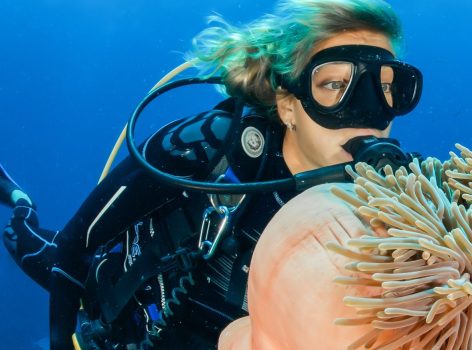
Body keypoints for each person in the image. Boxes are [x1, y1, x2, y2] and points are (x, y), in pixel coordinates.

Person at [1, 0, 423, 348]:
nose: (371, 111)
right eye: (334, 84)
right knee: (43, 253)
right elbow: (77, 244)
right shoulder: (206, 149)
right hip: (125, 313)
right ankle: (19, 204)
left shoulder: (398, 198)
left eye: (388, 87)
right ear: (287, 104)